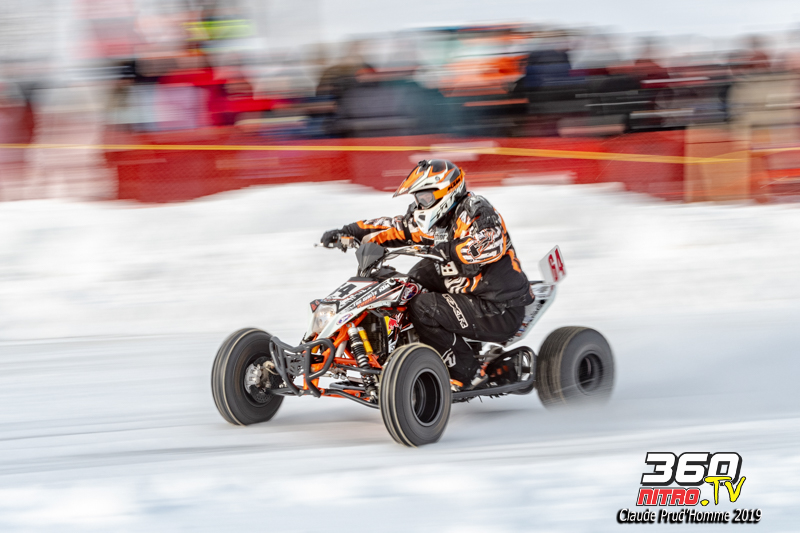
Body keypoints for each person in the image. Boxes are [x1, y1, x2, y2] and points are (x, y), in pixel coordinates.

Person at [320, 160, 534, 389]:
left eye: (425, 197)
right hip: (464, 290)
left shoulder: (476, 211)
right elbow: (394, 227)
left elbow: (490, 244)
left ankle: (468, 372)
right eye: (418, 198)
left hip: (499, 306)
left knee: (424, 307)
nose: (420, 204)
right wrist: (349, 232)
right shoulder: (432, 221)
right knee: (403, 286)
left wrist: (449, 250)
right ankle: (388, 352)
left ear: (447, 191)